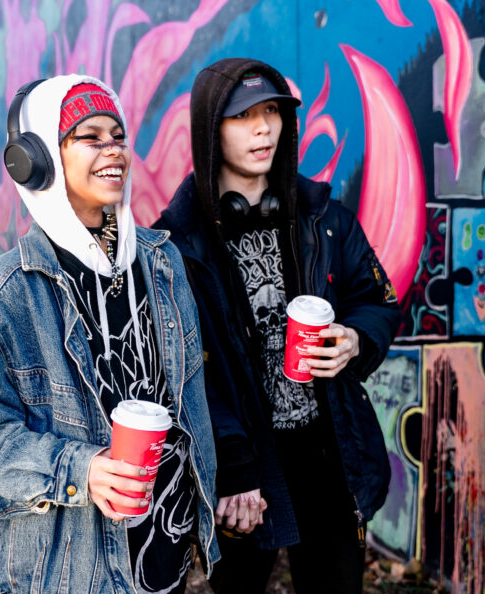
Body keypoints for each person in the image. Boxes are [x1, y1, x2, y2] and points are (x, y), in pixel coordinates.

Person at [0, 74, 219, 593]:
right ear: (35, 159)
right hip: (70, 575)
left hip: (164, 560)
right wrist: (79, 470)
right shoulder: (1, 296)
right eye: (91, 137)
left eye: (118, 136)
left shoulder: (162, 263)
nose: (114, 150)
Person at [154, 59, 401, 593]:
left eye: (272, 112)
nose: (263, 128)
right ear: (210, 129)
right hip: (244, 461)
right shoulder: (174, 246)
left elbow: (376, 300)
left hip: (327, 448)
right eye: (243, 116)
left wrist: (356, 338)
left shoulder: (323, 217)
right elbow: (177, 371)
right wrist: (230, 464)